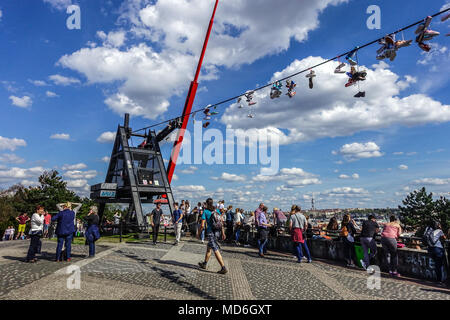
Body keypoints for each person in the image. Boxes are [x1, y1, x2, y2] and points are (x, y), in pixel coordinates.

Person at [197, 198, 228, 274]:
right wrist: (223, 233)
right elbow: (221, 223)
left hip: (210, 232)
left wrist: (198, 233)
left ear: (206, 204)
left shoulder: (205, 211)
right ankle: (204, 264)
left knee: (215, 249)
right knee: (209, 248)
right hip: (217, 232)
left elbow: (202, 225)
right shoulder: (216, 210)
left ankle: (223, 267)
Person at [424, 221, 447, 285]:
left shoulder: (429, 230)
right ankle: (439, 281)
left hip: (430, 249)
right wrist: (441, 229)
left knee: (437, 265)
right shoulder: (439, 231)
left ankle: (438, 279)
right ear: (437, 225)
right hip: (438, 249)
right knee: (439, 265)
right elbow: (444, 238)